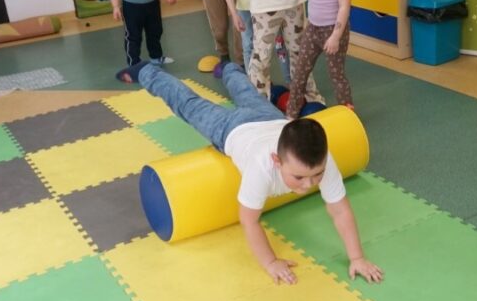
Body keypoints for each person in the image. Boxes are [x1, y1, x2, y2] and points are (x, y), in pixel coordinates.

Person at [117, 59, 384, 286]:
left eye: (317, 175)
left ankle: (229, 68)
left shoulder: (323, 159)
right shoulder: (261, 167)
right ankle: (147, 71)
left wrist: (357, 257)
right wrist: (270, 261)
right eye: (299, 177)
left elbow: (340, 211)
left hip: (270, 118)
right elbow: (249, 220)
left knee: (247, 91)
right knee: (187, 103)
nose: (308, 185)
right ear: (276, 161)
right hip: (229, 129)